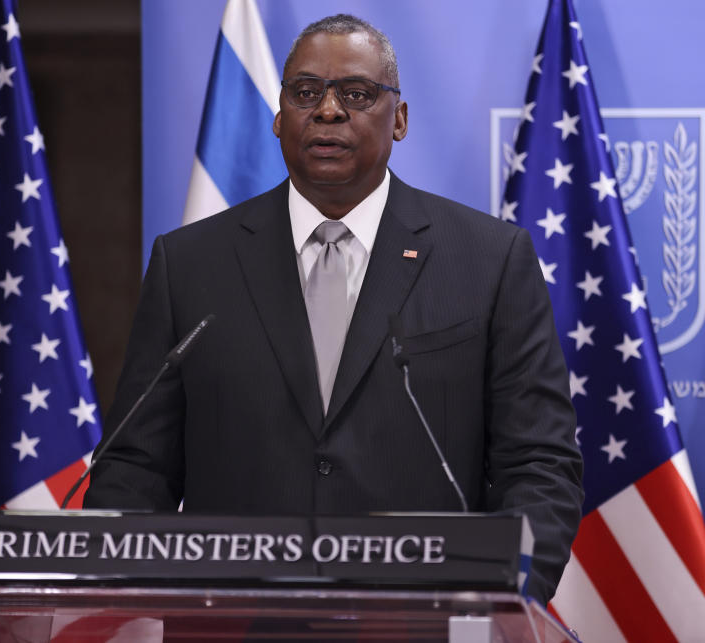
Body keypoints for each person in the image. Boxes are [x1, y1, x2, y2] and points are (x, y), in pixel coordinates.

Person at [84, 14, 583, 604]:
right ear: (277, 116)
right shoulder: (191, 263)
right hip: (229, 622)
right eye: (305, 92)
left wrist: (508, 593)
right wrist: (126, 591)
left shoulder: (489, 259)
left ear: (398, 118)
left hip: (428, 621)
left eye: (356, 93)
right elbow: (134, 468)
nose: (327, 110)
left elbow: (539, 464)